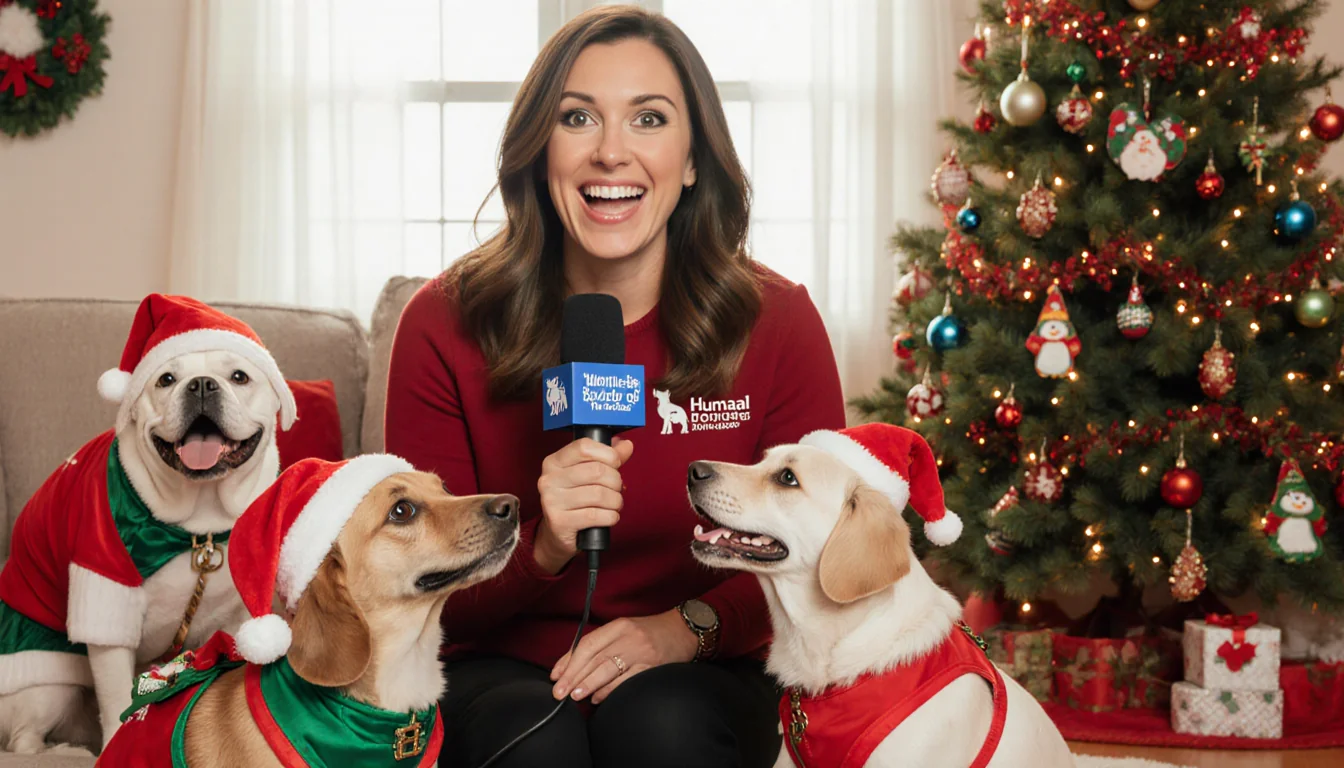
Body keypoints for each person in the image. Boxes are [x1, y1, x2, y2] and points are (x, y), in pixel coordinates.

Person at [385, 6, 844, 767]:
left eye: (649, 119)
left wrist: (684, 628)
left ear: (693, 158)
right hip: (496, 663)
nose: (610, 153)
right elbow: (414, 588)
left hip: (706, 662)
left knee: (660, 724)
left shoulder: (778, 321)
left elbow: (819, 559)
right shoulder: (443, 321)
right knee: (534, 744)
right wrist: (545, 545)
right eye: (577, 119)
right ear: (540, 153)